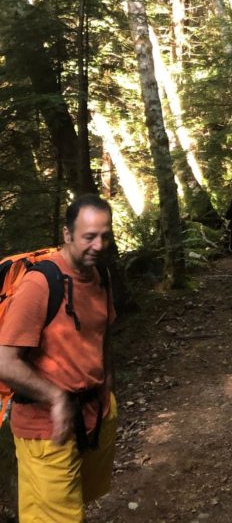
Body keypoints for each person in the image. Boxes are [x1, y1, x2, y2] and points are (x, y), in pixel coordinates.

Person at [0, 193, 117, 523]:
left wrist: (107, 381)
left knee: (76, 503)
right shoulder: (41, 284)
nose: (98, 245)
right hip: (45, 430)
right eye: (89, 237)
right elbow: (5, 361)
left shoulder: (100, 277)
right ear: (67, 235)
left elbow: (103, 332)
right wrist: (55, 396)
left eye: (105, 236)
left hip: (94, 413)